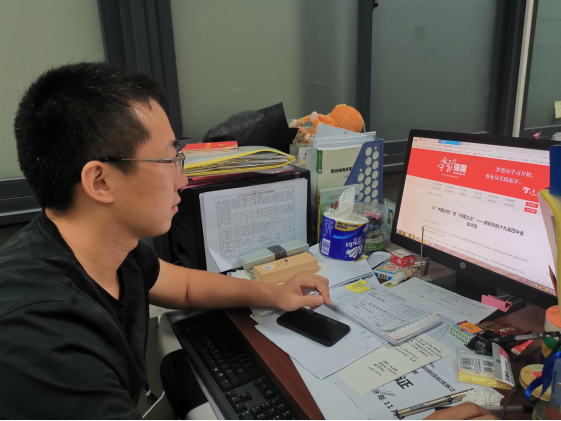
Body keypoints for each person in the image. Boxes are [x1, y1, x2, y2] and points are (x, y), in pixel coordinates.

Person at [0, 62, 496, 421]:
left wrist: (272, 293)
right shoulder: (41, 337)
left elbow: (182, 286)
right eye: (171, 159)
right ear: (100, 181)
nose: (182, 179)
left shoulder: (103, 248)